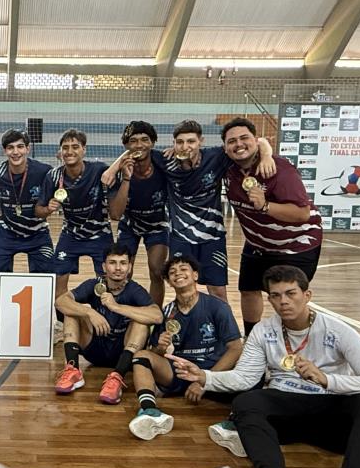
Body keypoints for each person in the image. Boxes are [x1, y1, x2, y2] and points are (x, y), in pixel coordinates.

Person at [173, 265, 360, 468]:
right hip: (285, 415)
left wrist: (327, 380)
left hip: (329, 410)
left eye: (291, 294)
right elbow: (245, 378)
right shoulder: (264, 331)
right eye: (276, 296)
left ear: (307, 295)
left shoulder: (337, 331)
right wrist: (205, 377)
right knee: (247, 401)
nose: (284, 302)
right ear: (269, 299)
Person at [111, 120, 272, 303]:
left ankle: (224, 330)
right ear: (173, 144)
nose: (185, 147)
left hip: (212, 237)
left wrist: (267, 157)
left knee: (218, 291)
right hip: (181, 238)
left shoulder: (216, 157)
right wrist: (112, 169)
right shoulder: (165, 159)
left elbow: (258, 142)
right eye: (180, 142)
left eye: (191, 142)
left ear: (200, 141)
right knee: (182, 288)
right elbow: (136, 150)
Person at [221, 117, 323, 335]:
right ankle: (252, 338)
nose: (238, 144)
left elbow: (302, 213)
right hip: (258, 243)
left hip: (295, 243)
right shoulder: (229, 167)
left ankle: (296, 340)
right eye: (232, 141)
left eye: (244, 138)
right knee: (248, 290)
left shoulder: (280, 170)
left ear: (255, 141)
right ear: (225, 148)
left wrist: (265, 206)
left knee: (287, 295)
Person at [127, 255, 242, 442]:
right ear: (169, 282)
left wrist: (205, 381)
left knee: (255, 375)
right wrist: (160, 348)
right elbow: (156, 354)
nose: (178, 273)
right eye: (172, 272)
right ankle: (150, 411)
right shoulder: (168, 312)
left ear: (195, 275)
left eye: (183, 269)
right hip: (181, 371)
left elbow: (236, 349)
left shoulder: (217, 306)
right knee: (141, 356)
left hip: (213, 371)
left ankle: (236, 424)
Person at [53, 243, 161, 402]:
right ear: (104, 266)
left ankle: (117, 377)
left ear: (130, 267)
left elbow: (157, 316)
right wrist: (89, 312)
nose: (118, 268)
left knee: (141, 321)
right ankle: (73, 369)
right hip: (94, 348)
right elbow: (60, 302)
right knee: (72, 311)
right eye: (112, 263)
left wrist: (116, 307)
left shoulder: (135, 290)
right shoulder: (94, 284)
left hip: (122, 353)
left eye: (123, 263)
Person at [36, 129, 118, 338]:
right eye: (65, 148)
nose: (70, 151)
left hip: (99, 234)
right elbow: (39, 210)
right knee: (58, 280)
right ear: (60, 151)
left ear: (84, 150)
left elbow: (117, 176)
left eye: (75, 147)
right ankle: (62, 325)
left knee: (106, 281)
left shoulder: (99, 170)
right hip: (70, 234)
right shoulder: (54, 176)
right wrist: (48, 209)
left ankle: (107, 322)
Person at [0, 128, 54, 336]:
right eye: (10, 148)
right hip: (7, 231)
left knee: (46, 275)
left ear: (28, 148)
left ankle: (42, 319)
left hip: (37, 232)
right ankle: (0, 315)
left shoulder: (44, 171)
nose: (15, 152)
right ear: (4, 150)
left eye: (20, 147)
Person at [106, 121, 170, 306]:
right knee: (123, 271)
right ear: (126, 146)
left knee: (157, 270)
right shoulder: (118, 171)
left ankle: (154, 315)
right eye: (133, 141)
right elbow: (116, 215)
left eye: (144, 139)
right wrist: (126, 177)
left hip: (157, 223)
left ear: (153, 142)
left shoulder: (163, 162)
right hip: (130, 224)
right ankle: (121, 312)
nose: (139, 145)